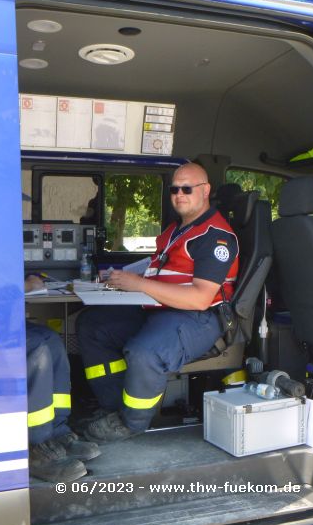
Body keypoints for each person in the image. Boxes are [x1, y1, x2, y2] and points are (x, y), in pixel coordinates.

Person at [76, 163, 240, 442]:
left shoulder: (215, 237)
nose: (179, 194)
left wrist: (138, 285)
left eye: (187, 188)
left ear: (206, 191)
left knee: (145, 351)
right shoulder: (176, 230)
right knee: (92, 325)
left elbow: (200, 298)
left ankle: (133, 422)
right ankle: (114, 405)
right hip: (160, 308)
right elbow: (158, 268)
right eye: (175, 189)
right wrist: (126, 277)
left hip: (198, 318)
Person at [25, 275, 100, 482]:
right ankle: (36, 445)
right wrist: (29, 285)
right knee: (35, 348)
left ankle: (56, 430)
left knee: (51, 340)